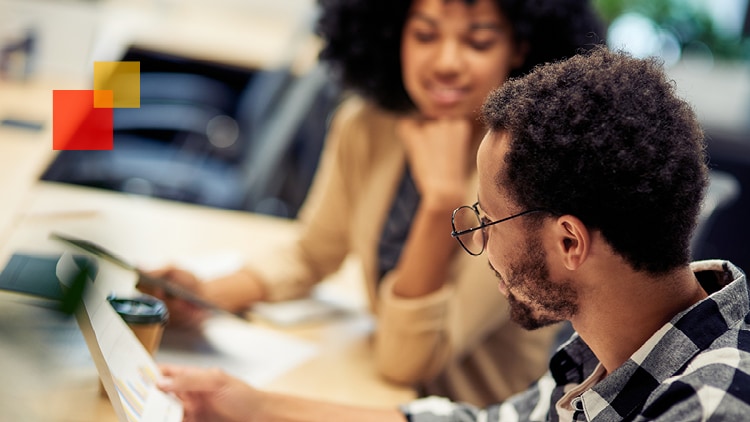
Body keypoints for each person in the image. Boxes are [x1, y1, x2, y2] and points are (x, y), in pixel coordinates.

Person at [156, 46, 750, 421]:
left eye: (489, 220)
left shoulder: (705, 405)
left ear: (570, 242)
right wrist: (252, 406)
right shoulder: (609, 354)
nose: (480, 241)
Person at [142, 0, 605, 405]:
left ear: (520, 49)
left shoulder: (529, 172)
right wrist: (203, 295)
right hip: (371, 387)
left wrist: (439, 200)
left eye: (477, 42)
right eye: (424, 35)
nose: (445, 62)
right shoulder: (368, 124)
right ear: (393, 35)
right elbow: (311, 253)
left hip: (464, 407)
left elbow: (410, 361)